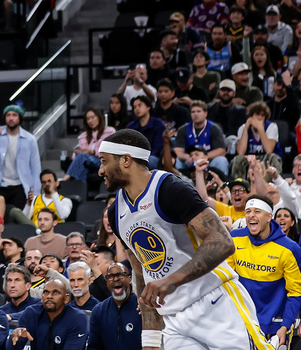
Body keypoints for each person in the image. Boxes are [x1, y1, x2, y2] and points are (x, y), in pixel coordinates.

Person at [98, 129, 271, 350]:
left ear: (125, 160)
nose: (100, 170)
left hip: (215, 303)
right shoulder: (115, 212)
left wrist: (170, 281)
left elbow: (223, 242)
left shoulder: (169, 188)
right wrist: (150, 341)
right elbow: (143, 277)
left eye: (104, 161)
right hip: (173, 319)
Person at [227, 194, 301, 348]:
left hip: (274, 328)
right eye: (248, 211)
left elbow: (295, 292)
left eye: (257, 211)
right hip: (239, 322)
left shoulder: (290, 248)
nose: (251, 215)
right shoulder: (234, 238)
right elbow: (226, 281)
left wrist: (285, 325)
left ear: (269, 216)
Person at [0, 105, 41, 213]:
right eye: (8, 115)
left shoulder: (30, 139)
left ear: (20, 118)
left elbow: (36, 168)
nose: (11, 118)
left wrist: (36, 193)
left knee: (17, 218)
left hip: (20, 186)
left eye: (14, 115)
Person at [9, 278, 87, 350]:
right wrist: (14, 340)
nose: (49, 296)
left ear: (66, 299)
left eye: (56, 292)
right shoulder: (31, 313)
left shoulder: (77, 318)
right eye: (46, 292)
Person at [86, 262, 141, 350]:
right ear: (106, 281)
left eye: (120, 275)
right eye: (110, 277)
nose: (115, 279)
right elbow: (93, 346)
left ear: (130, 279)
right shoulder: (99, 310)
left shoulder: (141, 307)